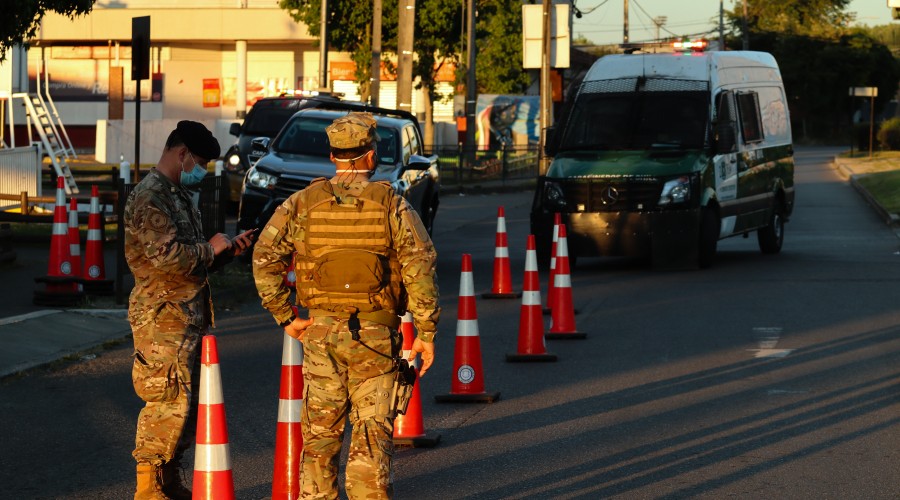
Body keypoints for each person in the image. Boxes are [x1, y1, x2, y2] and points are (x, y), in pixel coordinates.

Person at [253, 112, 440, 499]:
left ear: (334, 156)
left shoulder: (301, 203)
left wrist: (285, 315)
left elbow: (264, 255)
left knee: (320, 441)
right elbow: (419, 265)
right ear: (370, 155)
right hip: (376, 335)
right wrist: (426, 332)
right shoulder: (392, 205)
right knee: (370, 441)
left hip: (320, 334)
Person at [124, 120, 255, 500]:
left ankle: (168, 478)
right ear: (181, 154)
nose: (201, 171)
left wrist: (226, 252)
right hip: (161, 318)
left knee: (186, 402)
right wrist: (210, 249)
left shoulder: (176, 194)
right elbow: (166, 258)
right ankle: (147, 487)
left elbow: (192, 260)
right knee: (165, 400)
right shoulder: (151, 197)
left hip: (185, 315)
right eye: (199, 162)